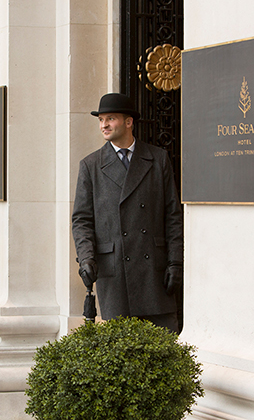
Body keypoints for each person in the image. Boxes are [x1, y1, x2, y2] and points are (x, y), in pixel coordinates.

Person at [71, 93, 183, 333]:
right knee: (122, 351)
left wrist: (175, 262)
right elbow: (82, 220)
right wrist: (87, 257)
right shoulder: (90, 165)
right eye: (101, 119)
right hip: (115, 273)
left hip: (155, 272)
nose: (104, 125)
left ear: (129, 121)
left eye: (110, 118)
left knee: (160, 350)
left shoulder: (158, 158)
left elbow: (172, 216)